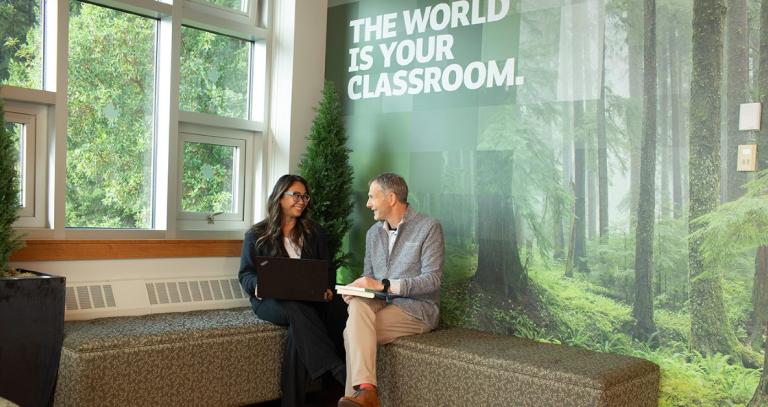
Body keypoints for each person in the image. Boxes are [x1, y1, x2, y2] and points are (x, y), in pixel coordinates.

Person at [239, 174, 347, 407]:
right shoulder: (256, 235)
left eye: (305, 196)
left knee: (307, 324)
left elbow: (326, 268)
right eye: (296, 195)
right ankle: (338, 371)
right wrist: (258, 286)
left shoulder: (314, 232)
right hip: (270, 302)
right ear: (279, 197)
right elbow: (245, 274)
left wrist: (327, 289)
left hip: (307, 300)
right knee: (295, 307)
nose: (302, 200)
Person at [337, 173, 444, 407]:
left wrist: (385, 285)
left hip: (417, 309)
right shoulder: (373, 233)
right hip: (382, 303)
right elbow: (370, 277)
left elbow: (433, 279)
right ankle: (366, 394)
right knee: (356, 306)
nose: (367, 204)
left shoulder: (428, 227)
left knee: (351, 333)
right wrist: (357, 289)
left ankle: (363, 397)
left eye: (372, 197)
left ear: (392, 198)